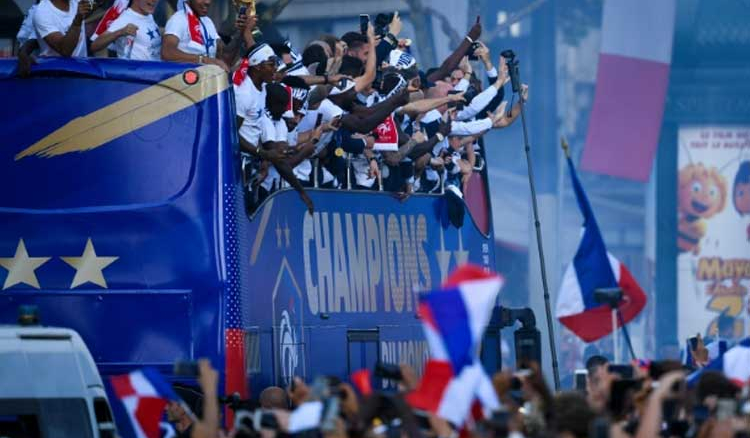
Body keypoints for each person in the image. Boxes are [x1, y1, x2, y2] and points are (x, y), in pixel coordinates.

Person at [161, 0, 251, 71]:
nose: (207, 2)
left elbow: (225, 58)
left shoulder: (207, 22)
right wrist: (204, 60)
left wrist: (241, 32)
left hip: (207, 86)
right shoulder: (178, 19)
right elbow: (167, 53)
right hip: (184, 85)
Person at [89, 0, 160, 60]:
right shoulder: (125, 18)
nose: (154, 0)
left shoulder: (148, 15)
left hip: (154, 72)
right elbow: (94, 46)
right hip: (135, 73)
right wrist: (120, 32)